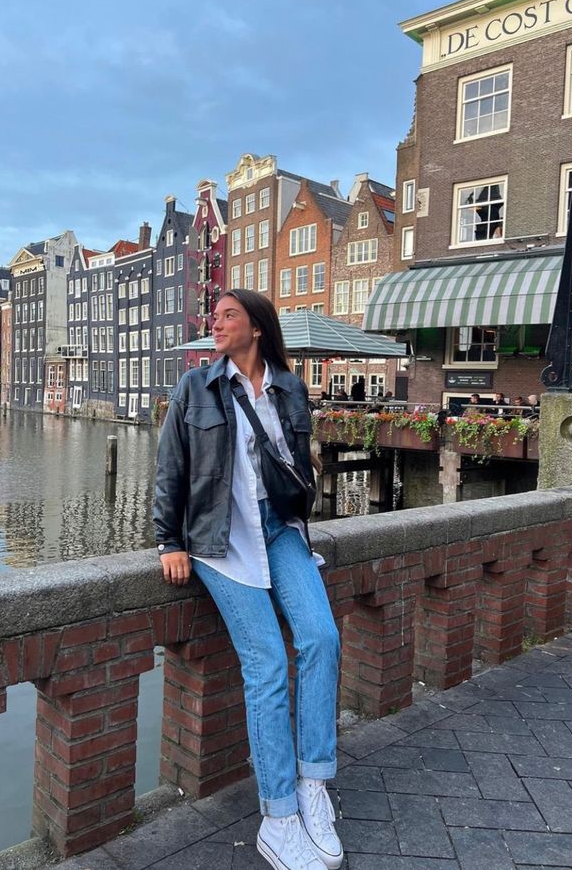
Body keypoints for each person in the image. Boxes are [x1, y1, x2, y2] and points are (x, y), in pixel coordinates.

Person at [154, 289, 343, 870]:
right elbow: (170, 466)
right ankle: (278, 817)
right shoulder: (195, 388)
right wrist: (170, 540)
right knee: (266, 665)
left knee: (321, 639)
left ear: (257, 328)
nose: (216, 322)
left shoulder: (289, 387)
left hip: (280, 530)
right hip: (220, 539)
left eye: (228, 315)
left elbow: (295, 462)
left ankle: (314, 785)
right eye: (215, 315)